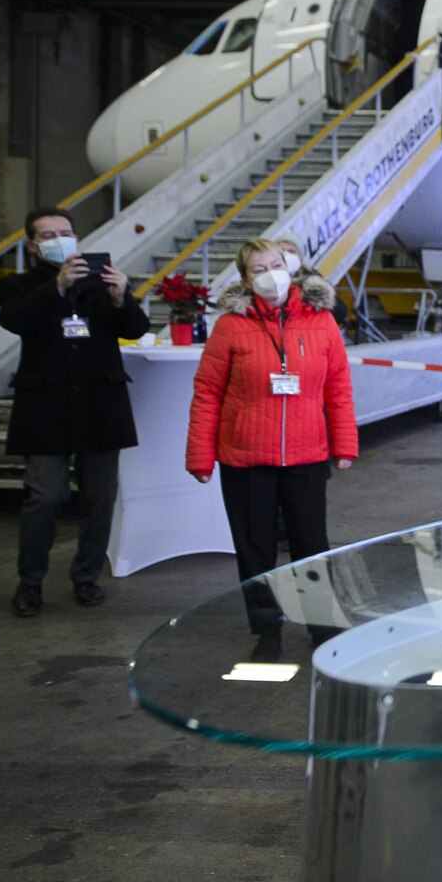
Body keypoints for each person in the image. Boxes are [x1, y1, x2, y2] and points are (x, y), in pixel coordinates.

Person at [186, 238, 357, 657]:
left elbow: (338, 386)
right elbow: (207, 391)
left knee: (311, 544)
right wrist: (199, 455)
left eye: (275, 264)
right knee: (255, 548)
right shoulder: (230, 325)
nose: (268, 274)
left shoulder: (321, 321)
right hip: (245, 457)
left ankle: (322, 627)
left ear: (291, 267)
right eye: (257, 269)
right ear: (245, 279)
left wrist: (345, 442)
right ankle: (267, 630)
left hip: (307, 453)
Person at [0, 207, 150, 615]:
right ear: (32, 245)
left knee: (100, 499)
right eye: (48, 235)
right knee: (44, 497)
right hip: (44, 405)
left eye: (65, 232)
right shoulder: (19, 286)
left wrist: (122, 297)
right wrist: (58, 287)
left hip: (101, 404)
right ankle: (30, 581)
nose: (59, 239)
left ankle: (86, 576)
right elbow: (15, 321)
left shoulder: (101, 283)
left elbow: (135, 328)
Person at [275, 235, 348, 334]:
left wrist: (317, 299)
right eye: (281, 251)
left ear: (300, 259)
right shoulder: (265, 281)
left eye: (291, 252)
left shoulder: (313, 280)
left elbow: (339, 312)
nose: (286, 255)